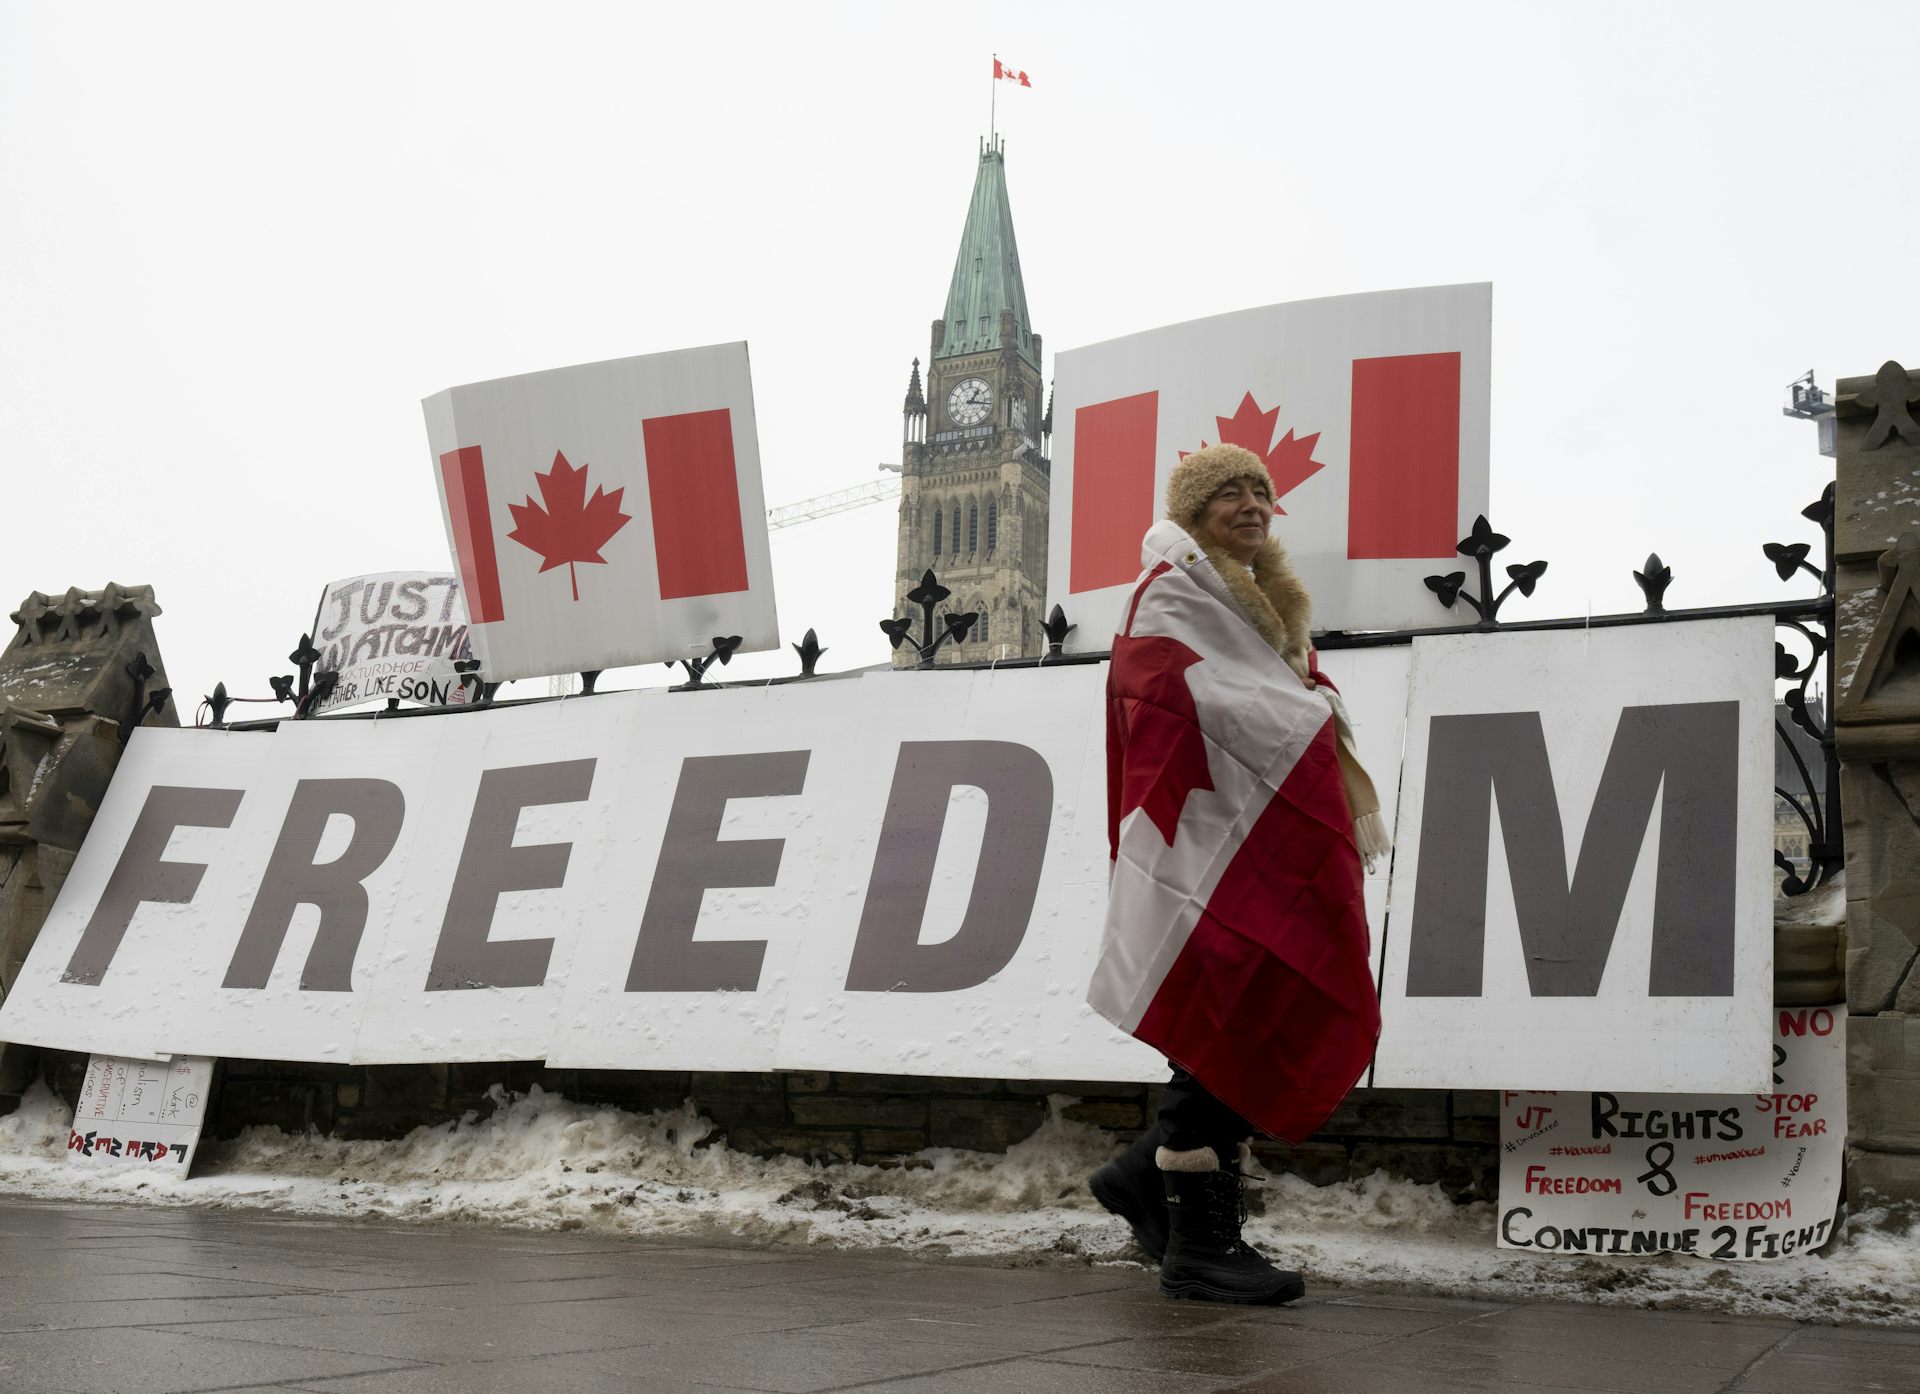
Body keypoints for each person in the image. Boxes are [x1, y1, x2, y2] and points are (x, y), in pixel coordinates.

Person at [1086, 442, 1387, 1305]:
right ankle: (1199, 1246)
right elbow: (1162, 697)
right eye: (1230, 493)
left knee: (1259, 994)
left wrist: (1304, 705)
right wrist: (1297, 712)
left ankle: (1146, 1180)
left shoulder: (1260, 603)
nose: (1253, 504)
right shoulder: (1171, 593)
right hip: (1202, 837)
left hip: (1258, 837)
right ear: (1194, 510)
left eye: (1261, 490)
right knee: (1220, 995)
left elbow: (1268, 697)